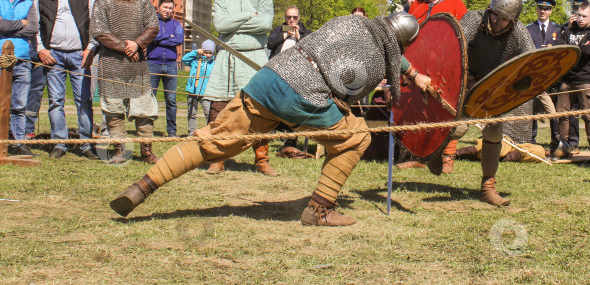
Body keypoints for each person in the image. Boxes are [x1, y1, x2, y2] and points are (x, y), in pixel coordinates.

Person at [109, 12, 427, 226]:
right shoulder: (377, 54)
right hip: (303, 94)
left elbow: (388, 58)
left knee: (214, 139)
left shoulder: (352, 23)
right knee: (357, 136)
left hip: (270, 77)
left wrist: (413, 73)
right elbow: (349, 90)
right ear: (402, 42)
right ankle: (320, 209)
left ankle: (142, 187)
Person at [450, 0, 537, 205]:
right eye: (496, 15)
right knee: (458, 127)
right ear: (490, 10)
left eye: (505, 18)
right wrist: (462, 77)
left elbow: (531, 64)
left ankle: (488, 186)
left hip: (494, 86)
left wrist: (519, 83)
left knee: (494, 131)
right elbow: (453, 48)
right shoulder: (474, 20)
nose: (498, 22)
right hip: (467, 78)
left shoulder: (519, 33)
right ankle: (441, 153)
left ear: (514, 21)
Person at [203, 0, 276, 175]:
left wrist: (235, 22)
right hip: (227, 58)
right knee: (219, 108)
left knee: (259, 109)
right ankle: (217, 158)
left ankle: (262, 160)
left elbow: (265, 24)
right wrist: (247, 16)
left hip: (254, 58)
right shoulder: (223, 1)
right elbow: (220, 25)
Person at [397, 0, 468, 172]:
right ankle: (423, 154)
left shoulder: (456, 5)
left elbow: (464, 38)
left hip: (447, 67)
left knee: (448, 112)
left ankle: (447, 156)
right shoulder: (416, 5)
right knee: (419, 111)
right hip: (419, 67)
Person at [89, 0, 159, 164]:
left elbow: (153, 27)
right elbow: (99, 31)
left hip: (137, 64)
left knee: (144, 108)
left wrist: (136, 43)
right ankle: (120, 150)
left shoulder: (142, 0)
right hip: (112, 62)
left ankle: (146, 151)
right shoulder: (103, 1)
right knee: (113, 109)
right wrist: (124, 46)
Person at [35, 0, 98, 159]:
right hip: (53, 55)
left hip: (80, 54)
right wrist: (40, 49)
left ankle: (85, 144)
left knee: (84, 101)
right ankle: (59, 143)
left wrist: (90, 48)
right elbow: (34, 24)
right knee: (55, 101)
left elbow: (96, 23)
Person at [553, 0, 590, 156]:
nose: (580, 19)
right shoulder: (568, 31)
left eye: (584, 16)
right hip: (567, 80)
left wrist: (572, 49)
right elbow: (559, 50)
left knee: (589, 114)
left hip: (585, 79)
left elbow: (588, 51)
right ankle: (564, 144)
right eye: (578, 15)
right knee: (563, 114)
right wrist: (577, 48)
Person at [0, 0, 39, 156]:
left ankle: (17, 142)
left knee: (19, 103)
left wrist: (7, 27)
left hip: (22, 59)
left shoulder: (27, 1)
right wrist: (19, 24)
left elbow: (33, 28)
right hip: (1, 59)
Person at [267, 5, 313, 158]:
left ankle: (290, 141)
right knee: (272, 107)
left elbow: (312, 50)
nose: (291, 20)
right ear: (284, 17)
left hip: (297, 76)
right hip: (277, 74)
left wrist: (299, 37)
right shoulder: (278, 30)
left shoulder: (306, 32)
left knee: (293, 108)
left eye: (294, 17)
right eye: (288, 17)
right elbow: (270, 43)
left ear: (299, 18)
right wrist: (285, 35)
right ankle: (265, 138)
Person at [16, 0, 50, 140]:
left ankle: (28, 128)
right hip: (25, 47)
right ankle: (14, 128)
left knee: (36, 90)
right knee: (19, 89)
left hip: (41, 49)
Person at [526, 0, 562, 148]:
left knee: (553, 109)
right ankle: (531, 139)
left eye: (546, 9)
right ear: (537, 9)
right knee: (532, 108)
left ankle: (556, 138)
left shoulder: (558, 30)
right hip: (533, 75)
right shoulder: (528, 29)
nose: (543, 11)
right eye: (540, 8)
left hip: (552, 76)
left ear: (551, 11)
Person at [147, 0, 184, 137]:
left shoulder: (176, 23)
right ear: (159, 7)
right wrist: (168, 37)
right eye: (165, 7)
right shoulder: (152, 22)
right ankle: (148, 129)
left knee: (171, 100)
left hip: (171, 65)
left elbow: (179, 39)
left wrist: (160, 37)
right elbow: (151, 37)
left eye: (170, 8)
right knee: (151, 99)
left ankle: (172, 131)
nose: (167, 11)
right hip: (153, 64)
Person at [181, 39, 216, 136]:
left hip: (206, 92)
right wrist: (195, 52)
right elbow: (184, 59)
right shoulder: (195, 61)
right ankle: (191, 132)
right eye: (206, 52)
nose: (207, 55)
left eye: (210, 53)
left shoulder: (214, 64)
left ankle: (210, 132)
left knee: (208, 113)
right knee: (191, 112)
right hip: (193, 90)